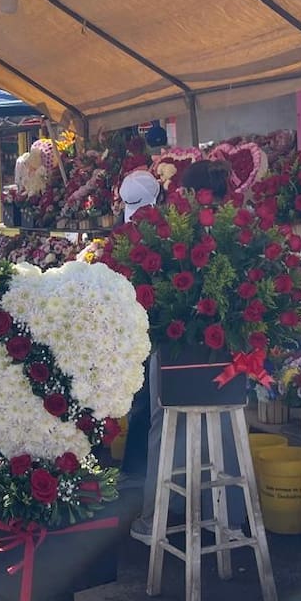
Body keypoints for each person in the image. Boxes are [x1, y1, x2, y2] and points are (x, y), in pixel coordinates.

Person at [132, 158, 248, 542]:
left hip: (175, 348)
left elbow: (154, 286)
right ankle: (231, 522)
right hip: (226, 349)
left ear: (185, 192)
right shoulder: (238, 231)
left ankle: (157, 520)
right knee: (227, 429)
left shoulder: (172, 233)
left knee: (163, 427)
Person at [116, 169, 161, 496]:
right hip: (140, 326)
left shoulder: (156, 232)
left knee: (143, 399)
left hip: (145, 325)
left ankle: (137, 468)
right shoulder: (160, 230)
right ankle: (137, 468)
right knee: (143, 399)